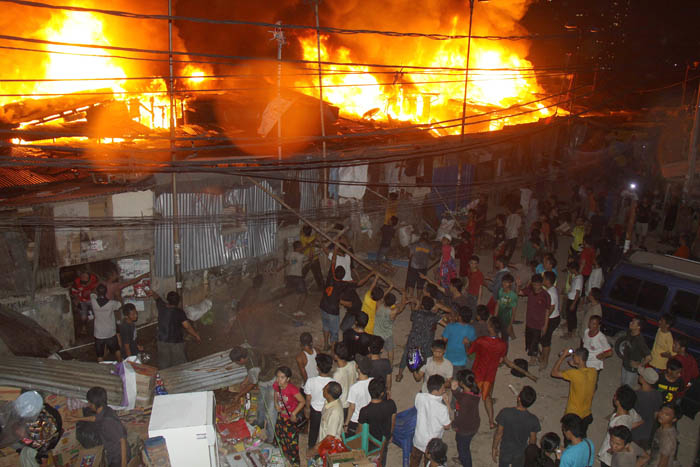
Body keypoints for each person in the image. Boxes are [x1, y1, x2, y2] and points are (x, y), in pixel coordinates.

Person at [230, 346, 281, 443]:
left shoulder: (253, 365)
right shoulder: (247, 351)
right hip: (263, 375)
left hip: (271, 379)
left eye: (237, 362)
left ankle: (271, 438)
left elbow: (253, 383)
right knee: (261, 403)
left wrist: (239, 395)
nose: (237, 364)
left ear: (241, 359)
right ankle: (260, 423)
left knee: (270, 411)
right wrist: (245, 381)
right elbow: (252, 375)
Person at [396, 296, 446, 383]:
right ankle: (425, 379)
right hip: (427, 341)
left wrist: (417, 304)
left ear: (422, 306)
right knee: (427, 359)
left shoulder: (417, 313)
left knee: (406, 355)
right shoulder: (435, 316)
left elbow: (412, 317)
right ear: (432, 306)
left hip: (413, 339)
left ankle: (399, 375)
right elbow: (445, 324)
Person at [469, 317, 507, 429]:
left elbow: (470, 351)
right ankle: (491, 421)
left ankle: (471, 420)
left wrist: (467, 343)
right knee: (487, 396)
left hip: (478, 372)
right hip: (490, 374)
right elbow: (501, 359)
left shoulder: (481, 340)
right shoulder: (502, 344)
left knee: (473, 397)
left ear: (490, 327)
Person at [551, 347, 597, 437]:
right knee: (581, 436)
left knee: (569, 438)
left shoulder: (574, 374)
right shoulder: (593, 371)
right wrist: (576, 365)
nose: (572, 357)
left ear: (579, 359)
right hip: (586, 414)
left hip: (574, 415)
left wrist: (563, 356)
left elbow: (554, 372)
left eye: (574, 356)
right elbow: (582, 372)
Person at [492, 386, 541, 467]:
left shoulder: (505, 413)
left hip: (505, 450)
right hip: (520, 452)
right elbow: (532, 440)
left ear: (518, 398)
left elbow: (499, 433)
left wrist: (494, 447)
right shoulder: (533, 420)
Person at [150, 290, 200, 369]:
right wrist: (196, 335)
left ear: (167, 300)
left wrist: (152, 293)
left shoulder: (161, 306)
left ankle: (164, 378)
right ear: (178, 301)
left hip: (162, 341)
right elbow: (187, 327)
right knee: (180, 365)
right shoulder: (180, 312)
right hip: (176, 343)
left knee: (164, 364)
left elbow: (157, 298)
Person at [597, 385, 643, 467]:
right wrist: (629, 426)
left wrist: (610, 451)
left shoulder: (619, 423)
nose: (614, 396)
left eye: (615, 395)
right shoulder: (631, 412)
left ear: (618, 402)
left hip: (609, 460)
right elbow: (640, 421)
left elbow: (617, 445)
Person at [411, 375, 451, 467]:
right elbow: (447, 426)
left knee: (414, 459)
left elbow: (418, 406)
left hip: (419, 439)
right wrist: (447, 403)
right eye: (443, 387)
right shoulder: (442, 408)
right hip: (432, 444)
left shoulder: (419, 397)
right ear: (437, 391)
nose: (444, 389)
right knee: (429, 462)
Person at [358, 378, 397, 467]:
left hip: (370, 442)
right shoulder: (391, 404)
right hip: (384, 439)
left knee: (370, 462)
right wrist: (390, 435)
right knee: (382, 460)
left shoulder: (365, 411)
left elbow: (360, 431)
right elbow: (393, 421)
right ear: (382, 393)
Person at [87, 387, 127, 467]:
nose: (89, 405)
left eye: (90, 403)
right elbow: (95, 418)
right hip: (113, 454)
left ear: (95, 404)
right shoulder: (106, 410)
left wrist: (123, 464)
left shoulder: (107, 422)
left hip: (118, 457)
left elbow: (122, 440)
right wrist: (77, 418)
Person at [273, 366, 305, 466]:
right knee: (280, 435)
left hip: (290, 418)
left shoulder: (292, 389)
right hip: (281, 416)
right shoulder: (276, 385)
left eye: (282, 377)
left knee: (292, 441)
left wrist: (294, 413)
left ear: (288, 379)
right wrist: (276, 404)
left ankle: (295, 462)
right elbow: (275, 393)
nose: (279, 379)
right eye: (278, 377)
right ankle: (284, 455)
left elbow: (302, 401)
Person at [303, 353, 336, 448]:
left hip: (315, 411)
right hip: (328, 411)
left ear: (317, 367)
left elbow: (308, 398)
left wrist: (307, 409)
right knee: (325, 431)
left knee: (313, 430)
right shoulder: (333, 382)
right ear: (330, 368)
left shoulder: (311, 381)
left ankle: (311, 447)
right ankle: (324, 448)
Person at [450, 369, 481, 467]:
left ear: (461, 383)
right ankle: (461, 458)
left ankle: (466, 462)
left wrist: (454, 425)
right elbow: (462, 396)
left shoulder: (464, 400)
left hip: (465, 428)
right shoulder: (475, 391)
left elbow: (461, 418)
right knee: (462, 443)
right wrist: (454, 391)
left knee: (464, 449)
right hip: (474, 423)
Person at [519, 274, 551, 365]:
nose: (536, 287)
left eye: (538, 285)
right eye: (534, 285)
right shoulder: (530, 291)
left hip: (538, 324)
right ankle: (536, 351)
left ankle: (533, 359)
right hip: (529, 322)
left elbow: (547, 311)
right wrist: (518, 285)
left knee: (535, 341)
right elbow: (520, 292)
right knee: (529, 340)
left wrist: (545, 325)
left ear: (542, 284)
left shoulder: (546, 295)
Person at [374, 292, 411, 369]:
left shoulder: (378, 304)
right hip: (387, 335)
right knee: (390, 350)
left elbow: (382, 299)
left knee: (377, 350)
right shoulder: (393, 312)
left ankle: (376, 364)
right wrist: (403, 295)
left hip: (376, 333)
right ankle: (390, 366)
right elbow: (402, 307)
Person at [631, 367, 663, 450]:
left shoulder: (636, 395)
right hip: (648, 432)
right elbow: (656, 414)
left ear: (643, 379)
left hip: (635, 431)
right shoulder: (658, 394)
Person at [90, 284, 122, 363]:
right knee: (117, 350)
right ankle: (121, 364)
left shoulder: (93, 300)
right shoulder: (112, 303)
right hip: (110, 332)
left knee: (100, 355)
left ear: (97, 292)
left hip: (98, 333)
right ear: (106, 292)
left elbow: (92, 292)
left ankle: (101, 370)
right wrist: (118, 295)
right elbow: (120, 304)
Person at [442, 306, 476, 372]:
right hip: (462, 361)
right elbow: (473, 344)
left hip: (448, 358)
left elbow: (444, 340)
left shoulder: (450, 326)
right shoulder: (471, 329)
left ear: (459, 317)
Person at [345, 356, 373, 436]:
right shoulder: (372, 381)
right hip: (368, 418)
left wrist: (346, 423)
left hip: (355, 420)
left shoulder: (354, 388)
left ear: (357, 368)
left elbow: (352, 408)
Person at [620, 318, 651, 388]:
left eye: (633, 323)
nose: (630, 323)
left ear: (638, 327)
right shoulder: (629, 332)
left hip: (631, 369)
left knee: (627, 388)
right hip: (625, 364)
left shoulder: (640, 340)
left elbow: (649, 357)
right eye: (631, 321)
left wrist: (639, 365)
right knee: (622, 384)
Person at [332, 342, 356, 419]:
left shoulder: (337, 374)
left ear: (336, 356)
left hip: (342, 405)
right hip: (352, 402)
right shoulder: (353, 364)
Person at [541, 271, 560, 369]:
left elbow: (551, 308)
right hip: (554, 317)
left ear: (547, 281)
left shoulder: (550, 293)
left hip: (552, 319)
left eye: (543, 278)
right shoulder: (552, 289)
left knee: (546, 340)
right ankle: (543, 357)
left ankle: (545, 361)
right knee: (544, 339)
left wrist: (545, 321)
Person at [70, 271, 99, 336]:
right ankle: (84, 328)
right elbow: (74, 292)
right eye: (82, 283)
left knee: (97, 314)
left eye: (85, 283)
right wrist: (76, 299)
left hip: (92, 299)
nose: (83, 285)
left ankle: (98, 328)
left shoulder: (94, 279)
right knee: (83, 317)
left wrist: (91, 291)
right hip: (82, 300)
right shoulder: (76, 282)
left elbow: (99, 287)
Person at [284, 240, 308, 313]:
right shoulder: (301, 256)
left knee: (287, 291)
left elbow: (286, 258)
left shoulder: (289, 254)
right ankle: (299, 311)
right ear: (299, 247)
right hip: (298, 277)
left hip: (289, 276)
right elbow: (308, 258)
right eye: (301, 246)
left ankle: (281, 303)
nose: (302, 247)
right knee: (304, 294)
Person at [406, 232, 432, 297]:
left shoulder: (414, 245)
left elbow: (409, 256)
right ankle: (418, 303)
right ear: (428, 239)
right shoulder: (429, 247)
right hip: (423, 269)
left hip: (413, 268)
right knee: (420, 287)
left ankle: (412, 306)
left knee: (411, 286)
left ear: (420, 237)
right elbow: (433, 257)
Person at [300, 225, 325, 291]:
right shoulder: (313, 237)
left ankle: (299, 286)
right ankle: (322, 287)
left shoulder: (302, 238)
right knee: (318, 274)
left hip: (307, 259)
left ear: (304, 232)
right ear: (311, 232)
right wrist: (316, 227)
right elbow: (318, 233)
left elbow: (301, 232)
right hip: (314, 258)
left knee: (303, 274)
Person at [496, 274, 518, 348]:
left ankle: (504, 351)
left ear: (511, 283)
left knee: (504, 337)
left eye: (507, 282)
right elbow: (498, 304)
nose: (504, 284)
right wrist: (495, 316)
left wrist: (510, 324)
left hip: (507, 318)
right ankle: (513, 337)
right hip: (500, 315)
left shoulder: (513, 295)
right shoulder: (501, 291)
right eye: (503, 282)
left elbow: (514, 311)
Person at [564, 262, 583, 339]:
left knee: (570, 315)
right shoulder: (577, 276)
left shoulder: (578, 279)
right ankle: (573, 328)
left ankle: (569, 332)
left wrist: (573, 303)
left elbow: (577, 292)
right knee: (572, 315)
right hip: (571, 297)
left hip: (573, 299)